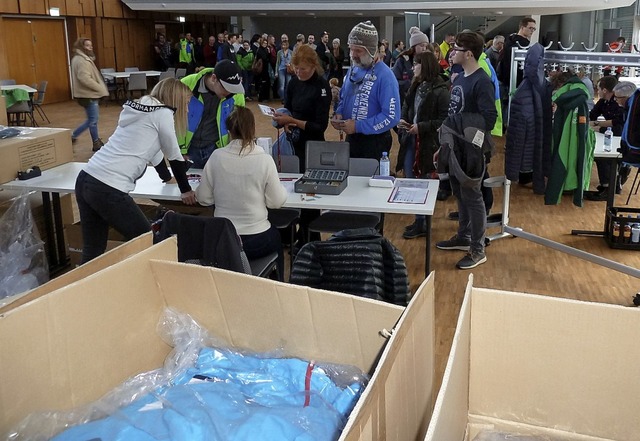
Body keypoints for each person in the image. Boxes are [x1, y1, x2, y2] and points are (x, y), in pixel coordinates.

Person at [75, 78, 197, 263]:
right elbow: (174, 155)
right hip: (108, 188)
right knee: (148, 239)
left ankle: (79, 290)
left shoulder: (141, 109)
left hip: (86, 179)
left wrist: (167, 178)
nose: (187, 110)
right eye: (186, 104)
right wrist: (186, 190)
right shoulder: (163, 113)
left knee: (93, 250)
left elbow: (154, 152)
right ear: (176, 99)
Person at [196, 106, 288, 280]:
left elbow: (203, 198)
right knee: (276, 237)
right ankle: (278, 285)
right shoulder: (264, 160)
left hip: (224, 238)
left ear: (229, 130)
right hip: (257, 237)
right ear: (253, 129)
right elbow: (276, 202)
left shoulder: (216, 156)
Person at [435, 31, 497, 270]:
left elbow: (489, 118)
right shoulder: (460, 78)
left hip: (470, 150)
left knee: (473, 196)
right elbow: (453, 115)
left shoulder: (482, 81)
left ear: (469, 54)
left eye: (457, 49)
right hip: (454, 148)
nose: (452, 52)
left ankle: (477, 248)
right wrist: (446, 144)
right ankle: (463, 236)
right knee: (459, 193)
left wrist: (472, 144)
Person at [397, 51, 450, 239]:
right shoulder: (416, 85)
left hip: (428, 143)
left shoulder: (441, 90)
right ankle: (419, 221)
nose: (412, 68)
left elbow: (444, 120)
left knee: (424, 181)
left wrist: (421, 127)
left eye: (416, 64)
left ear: (424, 65)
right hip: (411, 139)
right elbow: (406, 105)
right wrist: (403, 120)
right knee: (412, 179)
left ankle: (424, 222)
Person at [332, 21, 401, 160]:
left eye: (358, 50)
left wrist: (358, 126)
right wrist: (339, 113)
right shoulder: (353, 69)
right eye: (351, 49)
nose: (353, 55)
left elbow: (391, 116)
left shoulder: (386, 76)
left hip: (375, 141)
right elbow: (344, 98)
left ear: (371, 50)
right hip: (352, 138)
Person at [272, 44, 331, 171]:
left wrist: (292, 121)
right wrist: (285, 122)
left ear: (313, 66)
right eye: (296, 68)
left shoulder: (322, 86)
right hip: (293, 144)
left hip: (313, 145)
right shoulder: (293, 83)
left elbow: (320, 127)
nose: (298, 72)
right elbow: (288, 109)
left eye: (303, 69)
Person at [178, 59, 246, 169]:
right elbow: (174, 120)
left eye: (233, 89)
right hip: (188, 151)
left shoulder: (236, 95)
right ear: (214, 78)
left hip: (217, 150)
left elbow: (239, 126)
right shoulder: (185, 85)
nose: (229, 93)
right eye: (226, 87)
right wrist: (180, 151)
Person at [585, 77, 633, 200]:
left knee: (604, 157)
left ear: (605, 90)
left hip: (620, 136)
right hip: (609, 134)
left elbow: (618, 124)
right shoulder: (603, 102)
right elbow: (592, 115)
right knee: (600, 154)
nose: (597, 91)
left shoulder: (620, 104)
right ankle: (608, 184)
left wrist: (597, 125)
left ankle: (609, 187)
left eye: (599, 88)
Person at [70, 38, 109, 152]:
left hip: (85, 94)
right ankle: (74, 136)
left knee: (92, 119)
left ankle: (96, 141)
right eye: (87, 46)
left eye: (91, 45)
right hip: (88, 94)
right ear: (82, 47)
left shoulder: (79, 58)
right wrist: (100, 88)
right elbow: (84, 78)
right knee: (92, 120)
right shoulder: (82, 60)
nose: (91, 47)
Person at [393, 27, 430, 106]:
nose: (424, 49)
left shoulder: (428, 61)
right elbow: (394, 81)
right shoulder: (402, 61)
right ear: (414, 46)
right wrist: (411, 83)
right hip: (405, 100)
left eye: (426, 46)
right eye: (421, 45)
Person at [276, 37, 293, 102]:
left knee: (288, 85)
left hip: (289, 69)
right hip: (281, 69)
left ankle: (287, 98)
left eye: (285, 45)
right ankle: (282, 98)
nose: (284, 46)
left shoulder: (291, 52)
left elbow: (293, 61)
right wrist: (276, 72)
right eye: (283, 45)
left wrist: (290, 65)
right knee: (281, 85)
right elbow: (278, 62)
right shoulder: (279, 52)